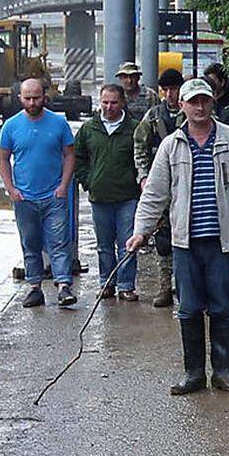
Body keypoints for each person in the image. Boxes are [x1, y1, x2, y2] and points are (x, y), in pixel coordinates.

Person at [128, 78, 229, 395]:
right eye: (193, 102)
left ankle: (223, 372)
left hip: (224, 241)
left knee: (222, 307)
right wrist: (140, 232)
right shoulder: (171, 145)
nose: (199, 107)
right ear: (183, 106)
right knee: (188, 308)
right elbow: (155, 195)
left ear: (212, 102)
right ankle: (193, 374)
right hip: (185, 243)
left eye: (204, 101)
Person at [0, 78, 77, 308]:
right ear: (20, 98)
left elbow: (69, 155)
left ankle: (63, 286)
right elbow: (3, 159)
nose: (32, 102)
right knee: (30, 242)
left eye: (36, 98)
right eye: (27, 98)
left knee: (59, 242)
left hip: (54, 195)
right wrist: (11, 189)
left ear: (45, 97)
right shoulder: (10, 126)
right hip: (24, 197)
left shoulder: (59, 123)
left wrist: (63, 186)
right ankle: (34, 287)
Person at [75, 83, 141, 301]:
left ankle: (126, 285)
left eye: (114, 102)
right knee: (104, 245)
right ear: (99, 102)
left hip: (127, 197)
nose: (109, 107)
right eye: (105, 102)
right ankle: (106, 283)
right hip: (99, 196)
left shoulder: (134, 128)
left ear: (122, 102)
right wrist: (88, 182)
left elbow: (144, 159)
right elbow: (77, 158)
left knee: (128, 243)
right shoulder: (88, 129)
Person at [133, 67, 186, 307]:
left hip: (187, 184)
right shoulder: (154, 116)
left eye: (173, 90)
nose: (169, 95)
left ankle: (184, 287)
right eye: (166, 90)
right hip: (162, 182)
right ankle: (165, 287)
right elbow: (140, 146)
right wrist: (144, 177)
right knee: (162, 240)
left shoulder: (191, 115)